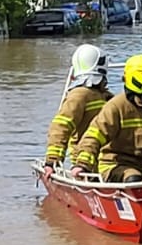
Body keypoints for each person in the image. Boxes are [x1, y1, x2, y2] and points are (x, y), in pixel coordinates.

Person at [72, 55, 142, 182]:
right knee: (133, 179)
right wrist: (82, 165)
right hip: (118, 166)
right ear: (140, 84)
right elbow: (94, 137)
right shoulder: (116, 107)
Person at [44, 44, 111, 175]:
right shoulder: (79, 95)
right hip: (85, 166)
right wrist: (52, 160)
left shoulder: (104, 95)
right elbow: (61, 126)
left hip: (103, 162)